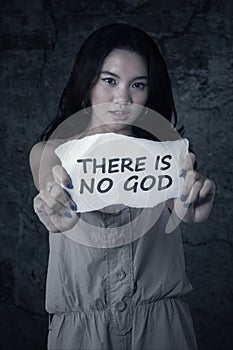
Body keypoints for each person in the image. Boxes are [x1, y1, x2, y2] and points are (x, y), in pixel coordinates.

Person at [30, 23, 215, 350]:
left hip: (161, 328)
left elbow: (184, 203)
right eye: (110, 81)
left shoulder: (168, 153)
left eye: (138, 85)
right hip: (82, 333)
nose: (122, 99)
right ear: (88, 79)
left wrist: (191, 204)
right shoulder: (51, 153)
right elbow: (50, 189)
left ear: (149, 90)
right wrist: (53, 206)